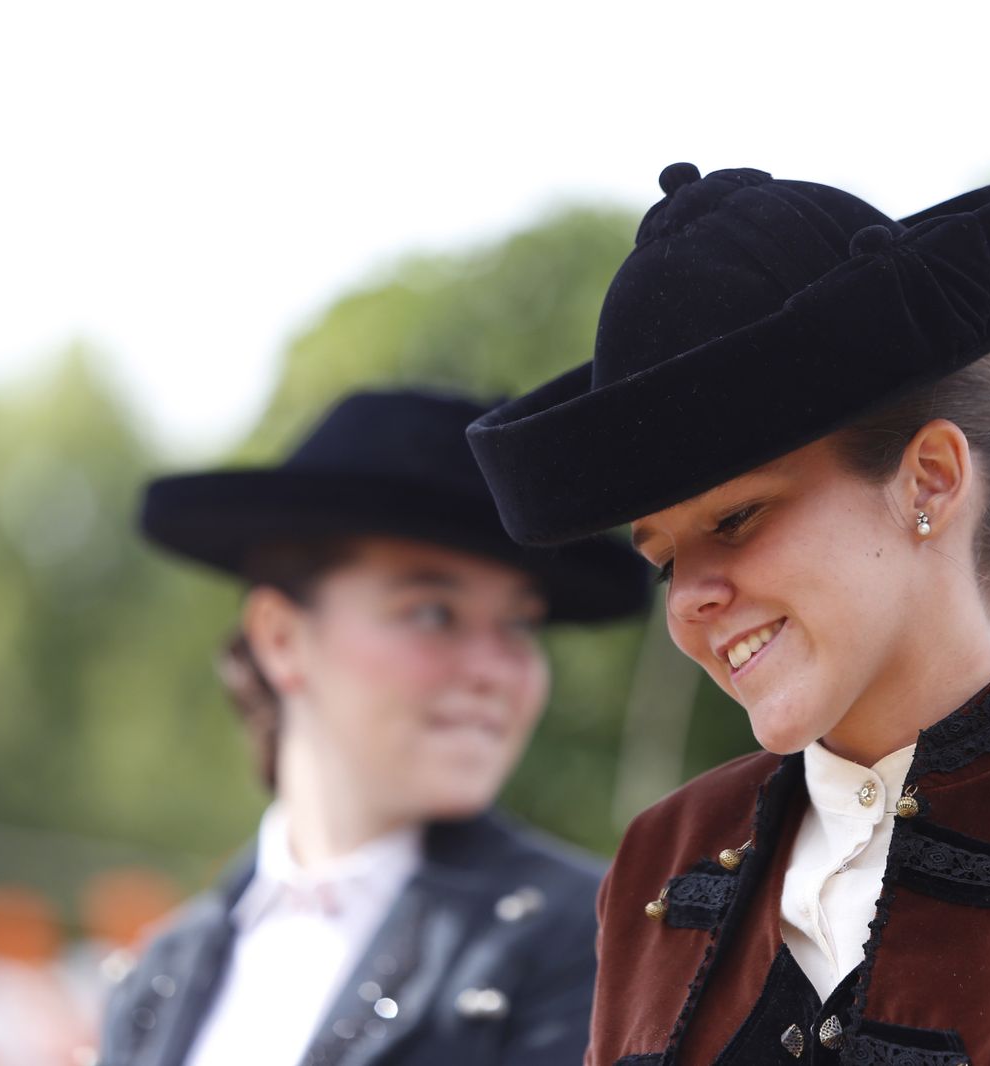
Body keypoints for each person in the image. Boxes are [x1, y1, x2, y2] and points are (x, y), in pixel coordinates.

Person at [467, 165, 990, 1064]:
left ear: (931, 480)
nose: (690, 598)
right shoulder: (659, 860)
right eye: (666, 559)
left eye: (736, 518)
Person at [96, 388, 649, 1066]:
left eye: (518, 625)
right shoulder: (160, 972)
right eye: (432, 613)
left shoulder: (595, 946)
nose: (492, 670)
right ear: (281, 639)